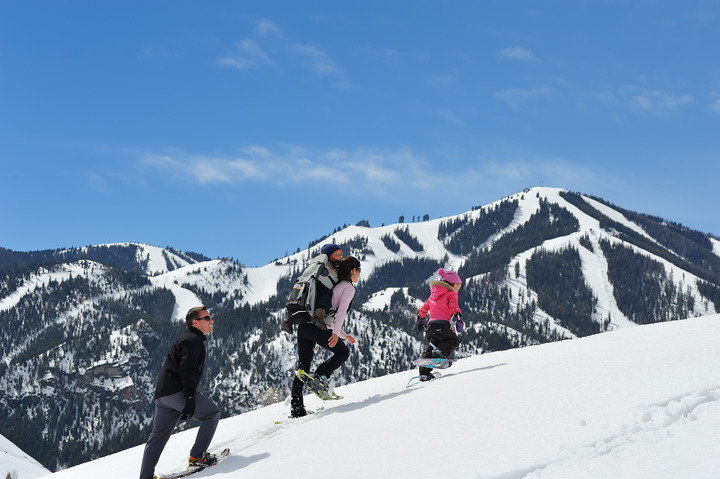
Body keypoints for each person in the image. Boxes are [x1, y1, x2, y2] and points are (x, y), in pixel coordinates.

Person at [139, 306, 221, 479]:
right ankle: (197, 457)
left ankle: (145, 476)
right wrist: (190, 397)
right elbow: (187, 369)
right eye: (207, 318)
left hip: (163, 395)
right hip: (178, 392)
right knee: (212, 414)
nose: (211, 321)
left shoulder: (185, 339)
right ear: (195, 322)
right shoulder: (193, 340)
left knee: (158, 436)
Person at [290, 256, 361, 418]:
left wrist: (343, 335)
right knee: (343, 353)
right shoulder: (348, 288)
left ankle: (296, 409)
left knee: (303, 369)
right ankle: (321, 375)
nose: (359, 275)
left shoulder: (334, 286)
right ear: (353, 271)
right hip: (317, 328)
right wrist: (336, 334)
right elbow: (340, 312)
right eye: (359, 271)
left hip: (304, 327)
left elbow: (330, 316)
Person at [282, 243, 342, 334]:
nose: (340, 257)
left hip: (302, 292)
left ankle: (289, 320)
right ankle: (319, 316)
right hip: (316, 291)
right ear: (328, 255)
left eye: (340, 254)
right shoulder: (326, 266)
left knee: (300, 308)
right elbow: (333, 280)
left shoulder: (312, 264)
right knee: (326, 296)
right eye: (337, 254)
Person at [416, 268, 464, 381]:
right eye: (459, 286)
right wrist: (458, 317)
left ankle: (424, 373)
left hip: (431, 327)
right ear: (454, 284)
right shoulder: (451, 293)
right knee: (453, 341)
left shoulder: (433, 295)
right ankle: (440, 351)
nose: (458, 289)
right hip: (443, 325)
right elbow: (454, 306)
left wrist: (421, 319)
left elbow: (424, 309)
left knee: (430, 349)